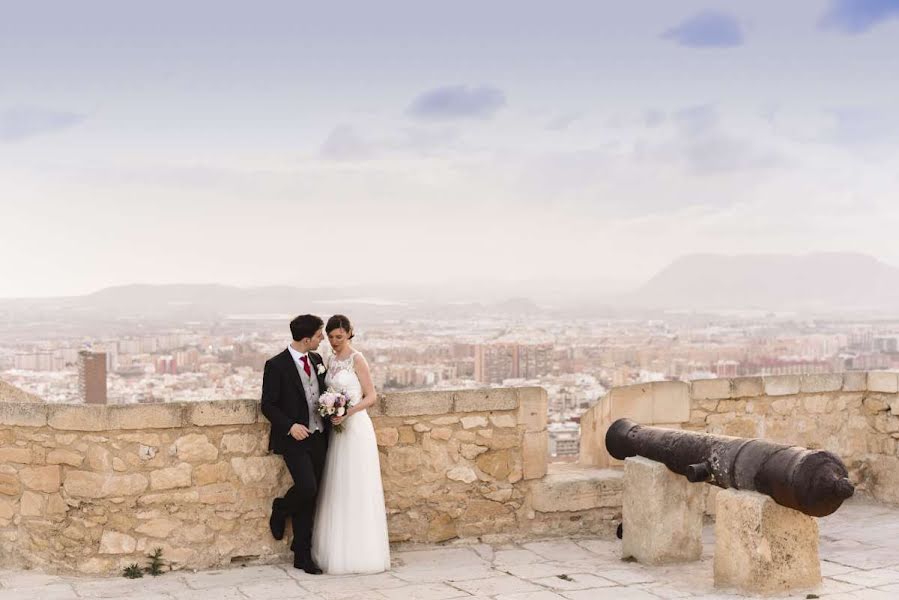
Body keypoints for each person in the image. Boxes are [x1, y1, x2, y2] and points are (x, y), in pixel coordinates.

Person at [311, 314, 391, 574]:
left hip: (356, 428)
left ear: (349, 334)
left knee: (358, 486)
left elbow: (372, 396)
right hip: (337, 431)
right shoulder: (331, 360)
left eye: (339, 337)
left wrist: (348, 411)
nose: (334, 342)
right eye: (331, 337)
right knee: (338, 486)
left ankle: (362, 553)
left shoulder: (358, 359)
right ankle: (337, 549)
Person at [260, 314, 329, 574]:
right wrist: (290, 426)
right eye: (319, 335)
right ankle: (281, 508)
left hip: (319, 436)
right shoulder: (276, 365)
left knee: (311, 497)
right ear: (306, 338)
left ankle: (302, 554)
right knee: (307, 488)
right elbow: (268, 404)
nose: (322, 339)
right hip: (293, 439)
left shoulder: (317, 360)